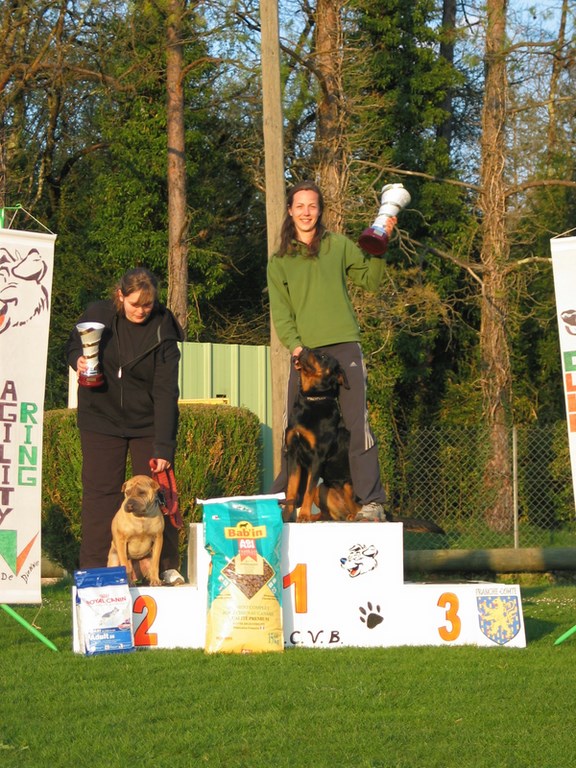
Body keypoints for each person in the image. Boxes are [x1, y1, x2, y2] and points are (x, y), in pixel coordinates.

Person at [267, 180, 394, 522]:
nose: (306, 212)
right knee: (292, 429)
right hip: (306, 355)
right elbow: (281, 313)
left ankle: (371, 501)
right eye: (300, 206)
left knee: (357, 424)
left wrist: (381, 248)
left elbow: (370, 280)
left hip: (345, 345)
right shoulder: (279, 260)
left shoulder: (338, 245)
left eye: (312, 205)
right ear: (290, 210)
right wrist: (296, 347)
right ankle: (284, 500)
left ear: (320, 210)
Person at [67, 267, 186, 584]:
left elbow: (166, 392)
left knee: (160, 496)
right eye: (135, 304)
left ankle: (165, 568)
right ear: (120, 296)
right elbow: (72, 345)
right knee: (100, 496)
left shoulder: (164, 329)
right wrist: (78, 360)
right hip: (100, 418)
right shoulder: (97, 315)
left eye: (148, 304)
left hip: (147, 422)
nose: (142, 311)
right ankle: (95, 572)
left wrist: (164, 446)